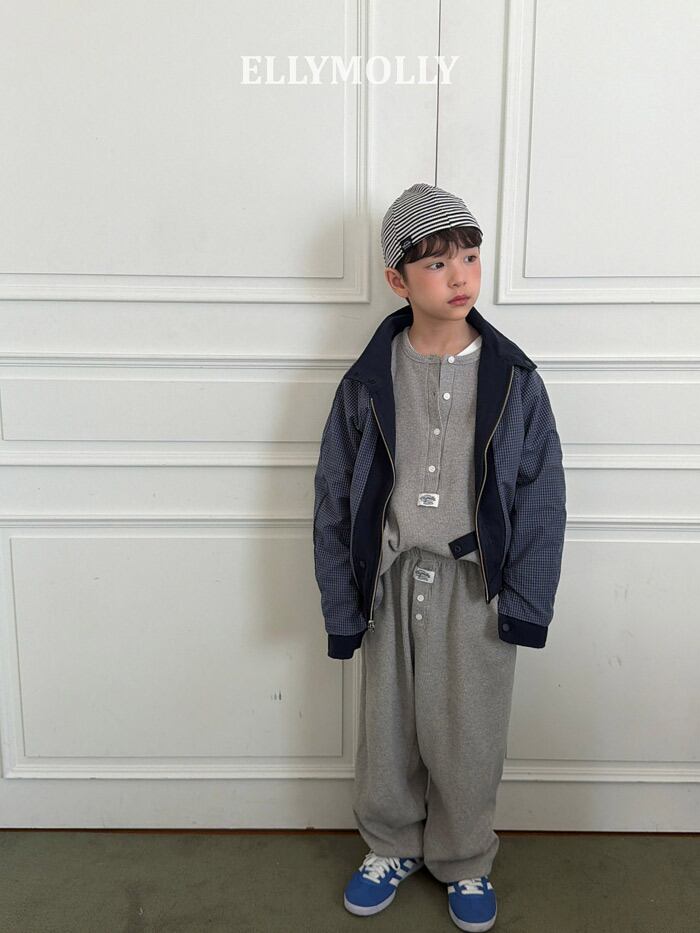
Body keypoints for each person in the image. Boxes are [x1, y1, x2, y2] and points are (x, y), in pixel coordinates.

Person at [312, 183, 566, 930]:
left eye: (471, 257)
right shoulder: (368, 380)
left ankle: (464, 856)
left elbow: (543, 496)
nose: (460, 276)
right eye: (436, 263)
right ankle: (390, 843)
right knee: (387, 730)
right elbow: (333, 494)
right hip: (389, 583)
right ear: (398, 280)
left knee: (468, 732)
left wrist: (526, 603)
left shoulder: (515, 380)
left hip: (477, 585)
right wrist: (342, 604)